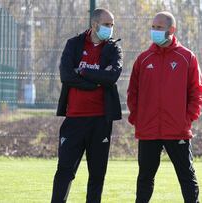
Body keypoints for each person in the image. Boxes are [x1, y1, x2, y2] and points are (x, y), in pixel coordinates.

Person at [127, 11, 202, 203]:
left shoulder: (187, 57)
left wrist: (186, 119)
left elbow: (198, 92)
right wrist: (138, 119)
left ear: (172, 30)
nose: (154, 31)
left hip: (177, 129)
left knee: (186, 176)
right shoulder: (143, 59)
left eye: (159, 28)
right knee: (145, 178)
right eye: (153, 27)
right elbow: (132, 93)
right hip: (148, 130)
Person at [51, 8, 122, 203]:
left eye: (112, 25)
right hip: (74, 120)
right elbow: (66, 76)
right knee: (64, 171)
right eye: (107, 24)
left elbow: (112, 76)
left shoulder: (113, 48)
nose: (110, 28)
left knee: (97, 175)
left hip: (101, 121)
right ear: (94, 24)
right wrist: (97, 81)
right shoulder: (73, 45)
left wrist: (82, 72)